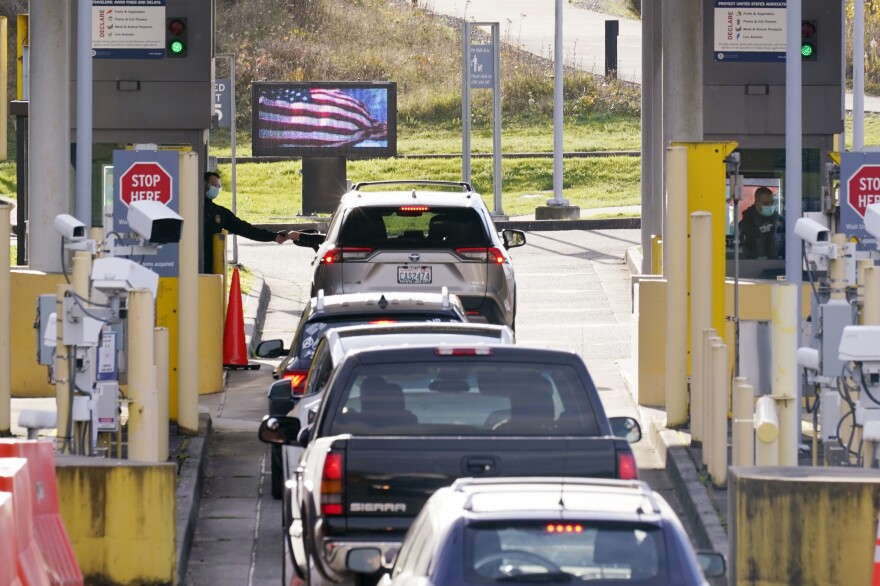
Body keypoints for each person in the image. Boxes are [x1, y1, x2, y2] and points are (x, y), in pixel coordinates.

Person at [202, 171, 323, 273]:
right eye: (213, 184)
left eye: (218, 186)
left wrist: (273, 236)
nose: (215, 188)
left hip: (208, 268)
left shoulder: (220, 213)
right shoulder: (191, 206)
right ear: (203, 184)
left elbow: (247, 230)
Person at [738, 186, 785, 260]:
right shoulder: (746, 224)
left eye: (772, 202)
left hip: (777, 264)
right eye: (766, 203)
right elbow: (739, 249)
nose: (770, 206)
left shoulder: (780, 222)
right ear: (756, 202)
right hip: (752, 265)